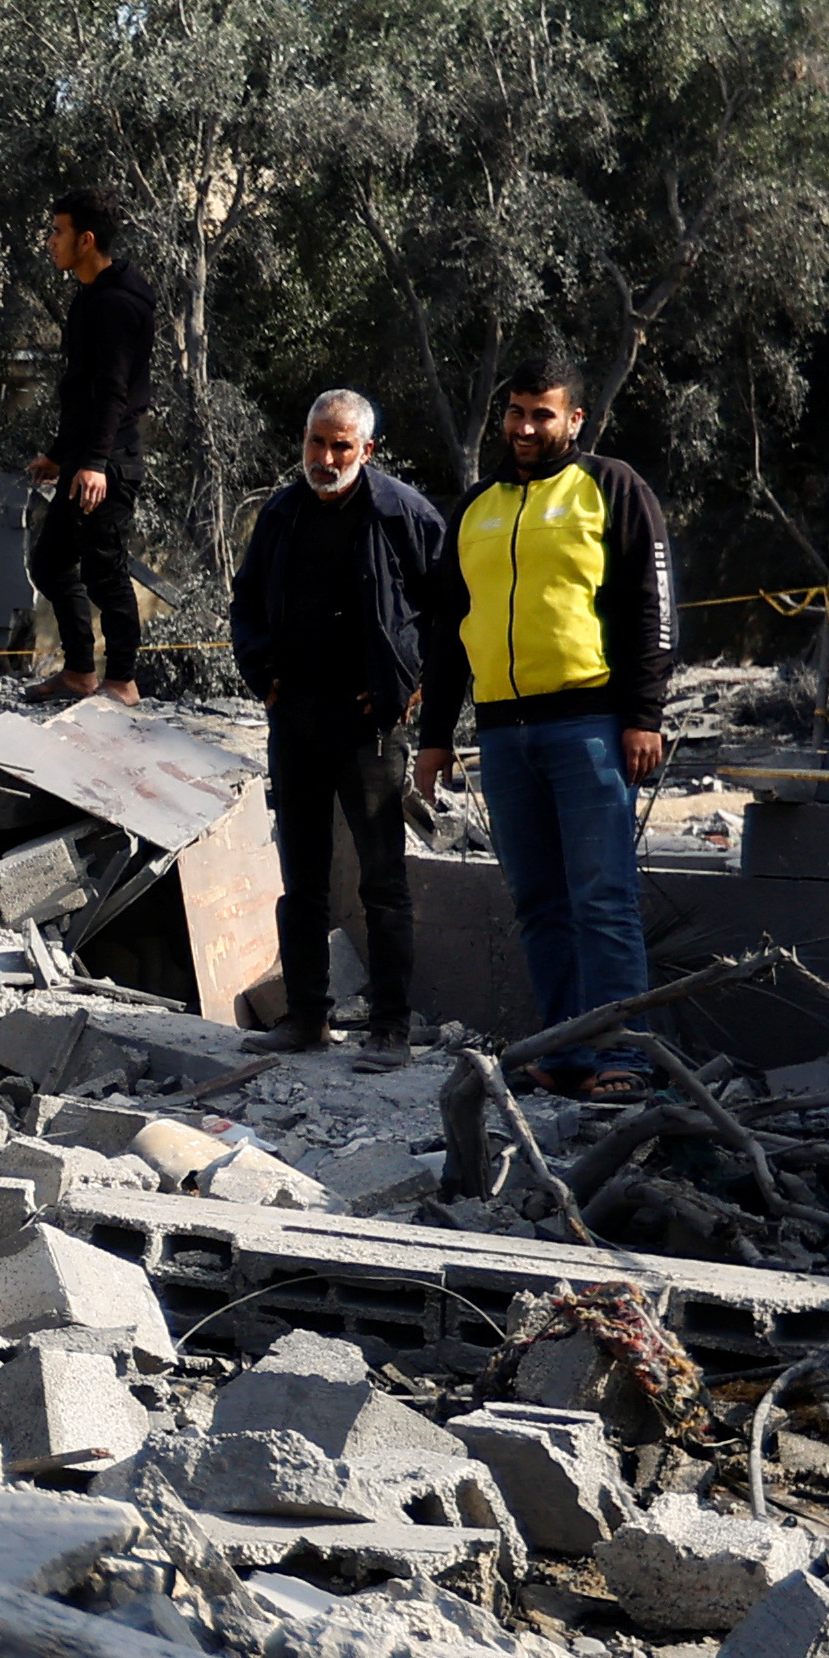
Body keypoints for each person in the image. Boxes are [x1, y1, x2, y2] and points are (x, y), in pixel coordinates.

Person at [415, 352, 677, 1100]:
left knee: (602, 895)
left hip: (590, 727)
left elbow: (651, 608)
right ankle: (564, 1051)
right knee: (539, 901)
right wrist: (435, 737)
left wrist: (643, 716)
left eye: (544, 414)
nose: (527, 427)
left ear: (575, 419)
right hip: (501, 735)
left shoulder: (611, 488)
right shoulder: (476, 508)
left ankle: (623, 1055)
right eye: (517, 413)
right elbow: (447, 630)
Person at [229, 390, 448, 1058]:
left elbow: (446, 612)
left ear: (367, 450)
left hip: (370, 728)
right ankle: (305, 1019)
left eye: (341, 446)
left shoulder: (402, 514)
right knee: (302, 879)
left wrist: (410, 687)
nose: (325, 458)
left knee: (382, 880)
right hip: (294, 719)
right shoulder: (281, 512)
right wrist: (258, 672)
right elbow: (245, 602)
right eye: (317, 443)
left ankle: (390, 1028)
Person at [24, 185, 158, 704]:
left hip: (111, 462)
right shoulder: (89, 299)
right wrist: (59, 454)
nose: (50, 241)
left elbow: (113, 389)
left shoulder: (118, 303)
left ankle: (121, 680)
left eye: (58, 232)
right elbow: (82, 393)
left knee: (106, 573)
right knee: (51, 563)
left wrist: (97, 461)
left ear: (86, 239)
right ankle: (80, 671)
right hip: (86, 457)